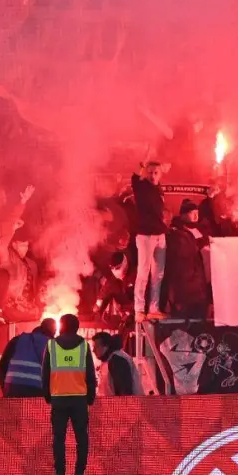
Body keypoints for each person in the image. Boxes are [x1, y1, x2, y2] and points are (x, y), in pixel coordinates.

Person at [40, 314, 96, 475]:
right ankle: (79, 473)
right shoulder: (84, 346)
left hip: (58, 398)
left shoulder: (51, 346)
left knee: (58, 438)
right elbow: (91, 375)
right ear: (77, 327)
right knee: (82, 437)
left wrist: (48, 396)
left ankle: (60, 473)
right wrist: (90, 397)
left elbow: (45, 374)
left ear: (61, 327)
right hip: (80, 398)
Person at [130, 161, 169, 319]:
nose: (153, 175)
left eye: (156, 173)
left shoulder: (159, 189)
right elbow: (135, 176)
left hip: (160, 234)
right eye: (150, 172)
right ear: (146, 173)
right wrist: (142, 163)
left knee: (158, 274)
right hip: (145, 235)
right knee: (143, 272)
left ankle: (154, 308)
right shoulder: (141, 186)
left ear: (160, 174)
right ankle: (139, 309)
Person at [0, 318, 55, 398]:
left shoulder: (17, 340)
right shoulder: (52, 345)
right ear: (53, 332)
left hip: (12, 388)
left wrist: (5, 388)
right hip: (37, 390)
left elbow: (2, 367)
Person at [92, 332, 140, 396]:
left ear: (106, 346)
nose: (93, 350)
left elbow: (125, 392)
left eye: (96, 346)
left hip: (122, 405)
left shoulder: (117, 361)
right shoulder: (109, 359)